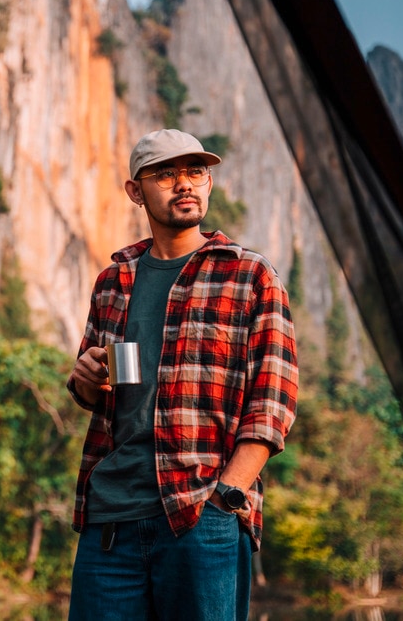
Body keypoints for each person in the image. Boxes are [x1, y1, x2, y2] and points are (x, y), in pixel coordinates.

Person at [65, 129, 298, 620]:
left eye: (195, 172)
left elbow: (272, 402)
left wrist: (227, 496)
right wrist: (86, 378)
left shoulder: (250, 275)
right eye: (165, 174)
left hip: (200, 515)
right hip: (110, 523)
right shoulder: (113, 281)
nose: (184, 184)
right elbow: (95, 392)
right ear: (136, 191)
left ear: (209, 184)